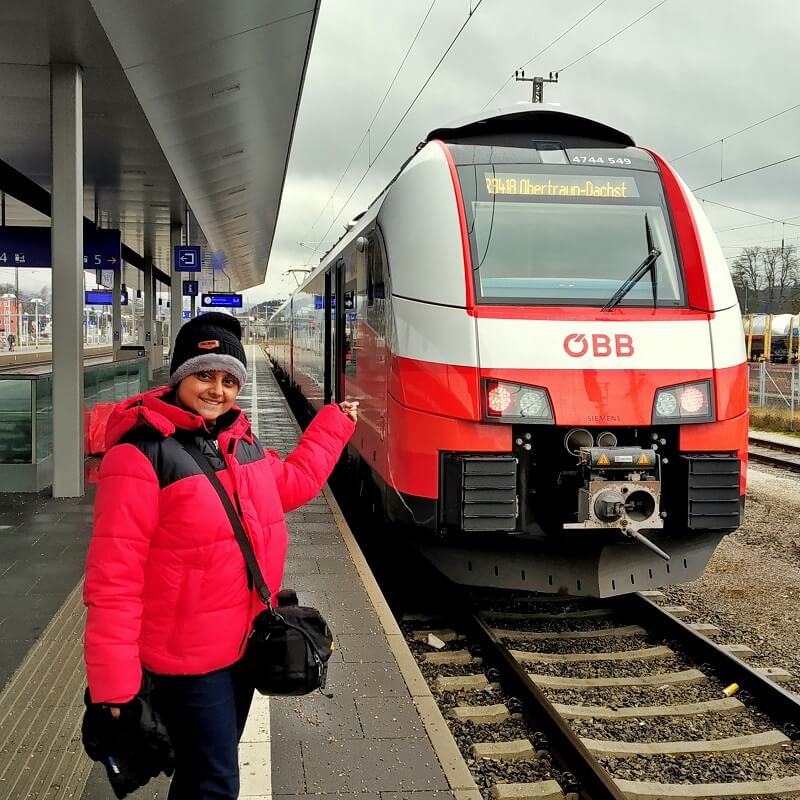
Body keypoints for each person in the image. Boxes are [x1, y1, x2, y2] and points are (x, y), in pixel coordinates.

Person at [81, 312, 357, 799]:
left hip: (240, 648)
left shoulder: (239, 445)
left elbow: (293, 482)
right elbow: (114, 581)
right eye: (205, 374)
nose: (218, 389)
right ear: (180, 376)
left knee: (201, 774)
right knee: (216, 784)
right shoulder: (140, 457)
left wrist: (335, 423)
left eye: (230, 379)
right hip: (186, 661)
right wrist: (115, 690)